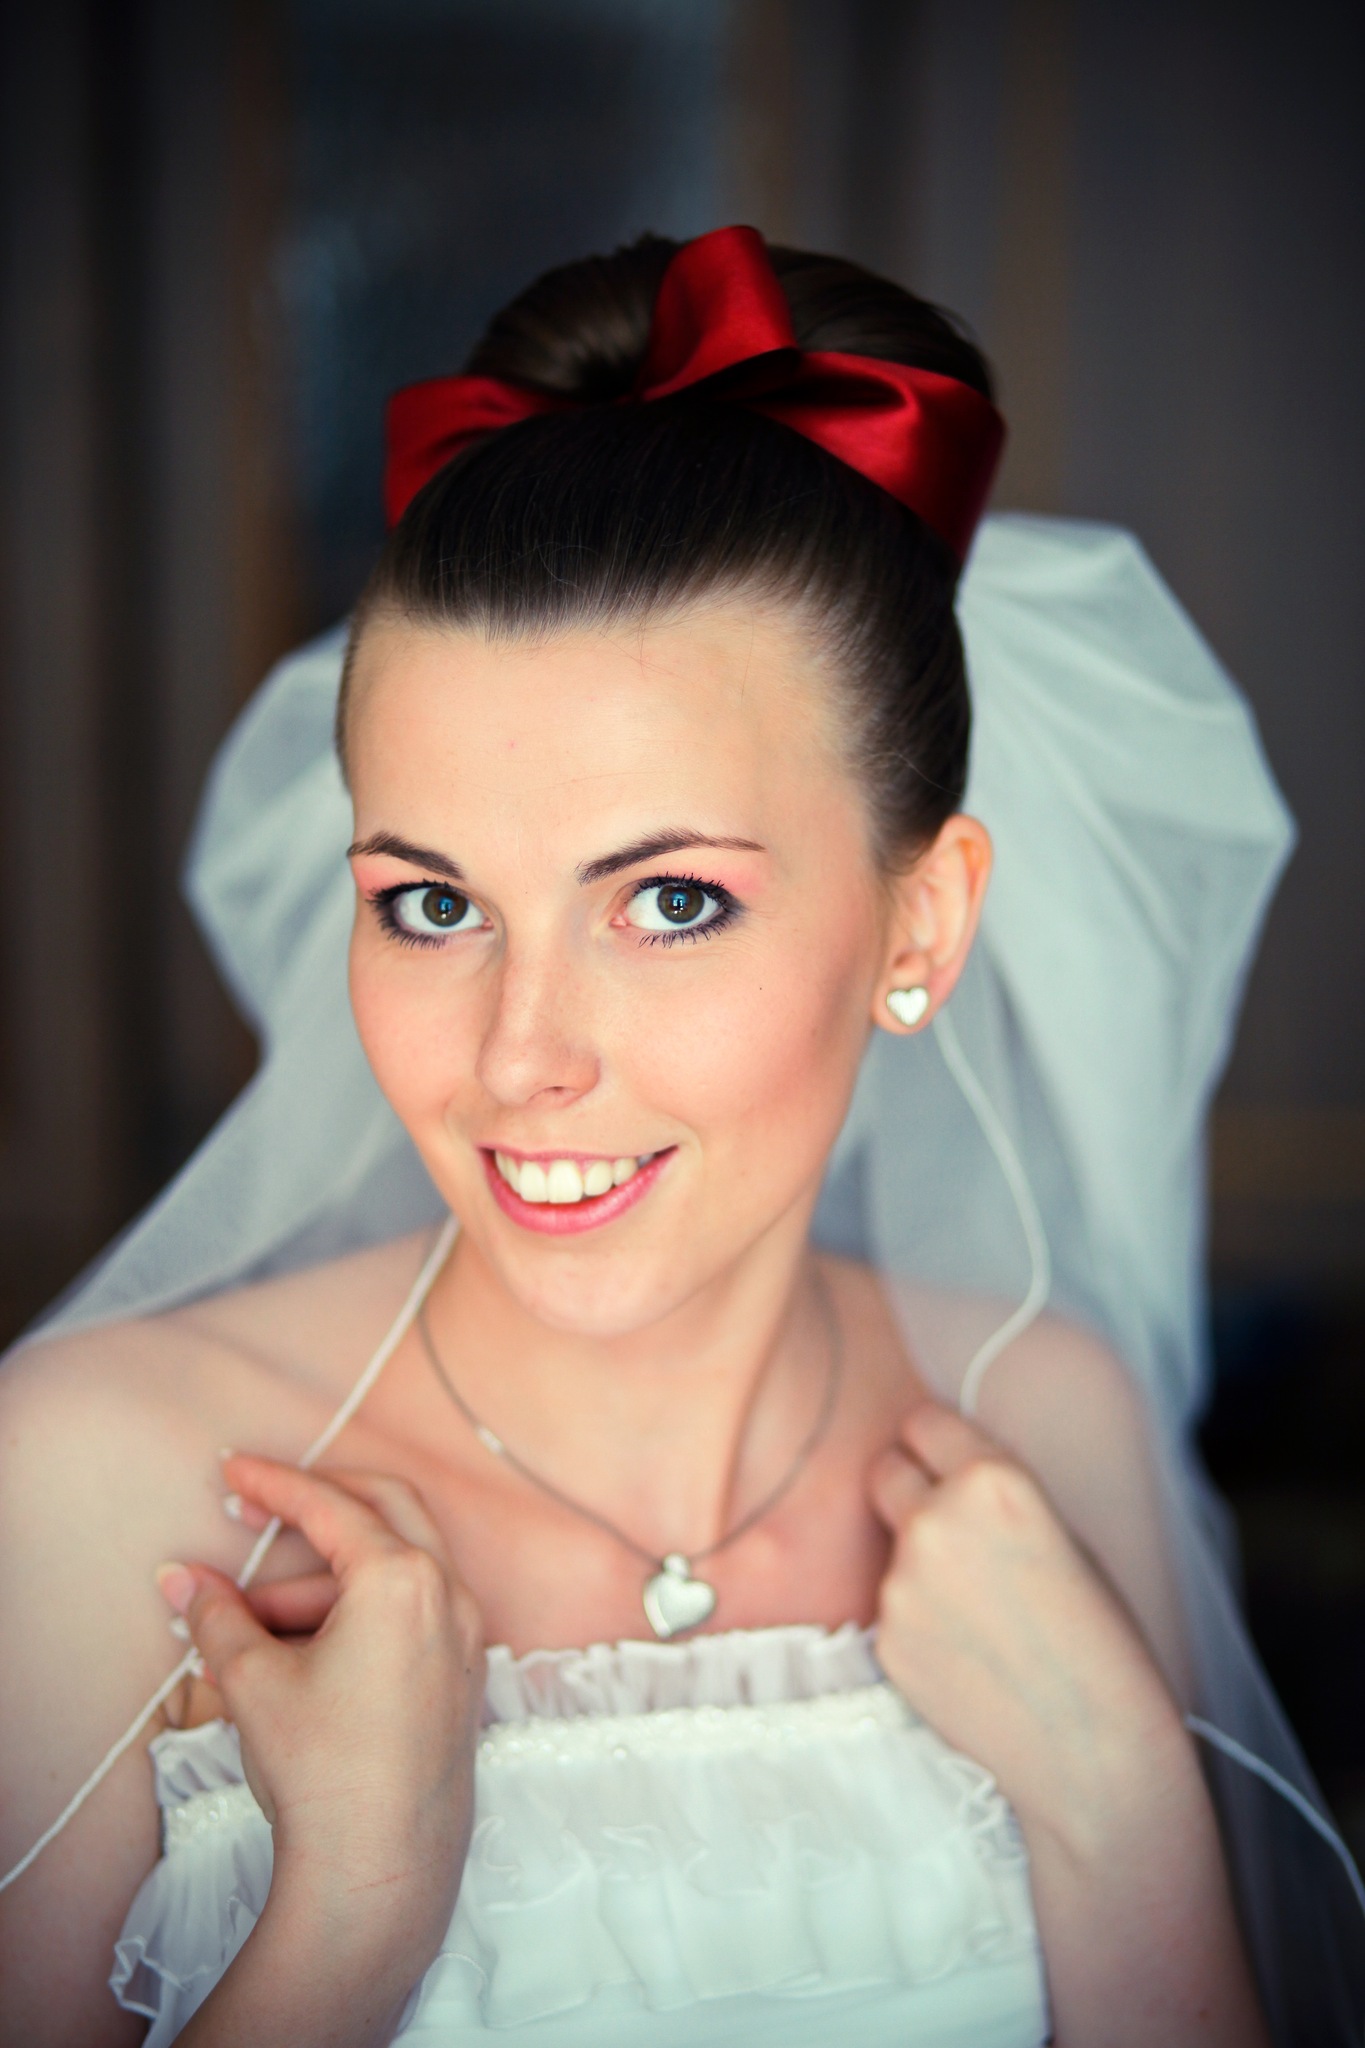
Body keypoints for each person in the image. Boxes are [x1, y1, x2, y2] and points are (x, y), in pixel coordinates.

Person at [0, 226, 1359, 2047]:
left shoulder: (1047, 1426)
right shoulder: (101, 1481)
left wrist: (1120, 1807)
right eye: (430, 906)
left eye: (669, 903)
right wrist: (352, 1914)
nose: (518, 1059)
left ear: (920, 926)